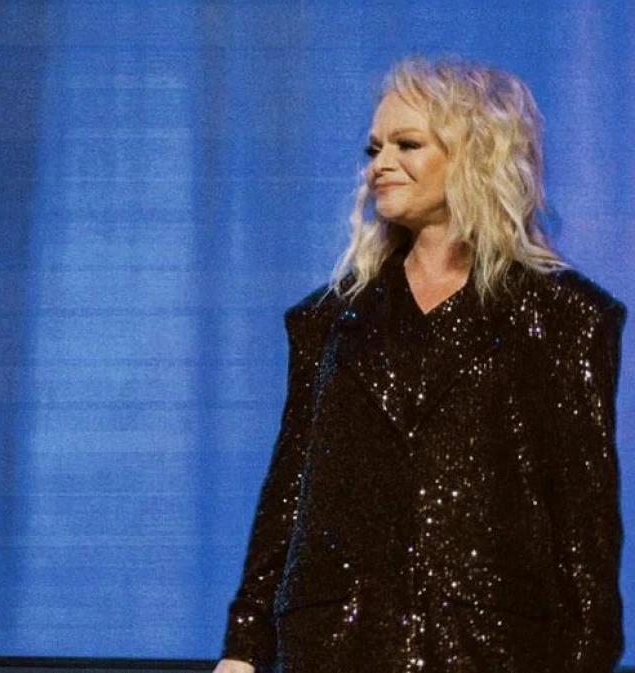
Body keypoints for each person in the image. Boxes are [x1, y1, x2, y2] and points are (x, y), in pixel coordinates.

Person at [216, 56, 624, 672]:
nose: (380, 164)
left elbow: (584, 523)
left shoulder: (564, 318)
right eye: (374, 147)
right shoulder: (329, 321)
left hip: (491, 646)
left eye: (407, 144)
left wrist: (586, 656)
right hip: (338, 641)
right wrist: (244, 647)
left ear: (475, 154)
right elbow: (289, 491)